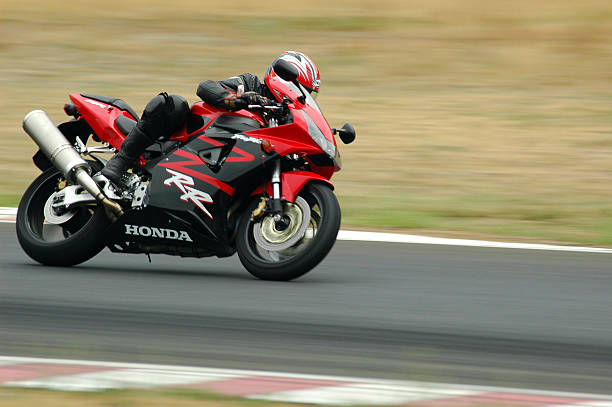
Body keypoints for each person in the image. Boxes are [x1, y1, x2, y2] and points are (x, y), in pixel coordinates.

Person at [101, 51, 320, 187]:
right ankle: (120, 162)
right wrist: (236, 99)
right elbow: (206, 87)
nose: (302, 97)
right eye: (301, 89)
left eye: (308, 94)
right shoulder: (251, 84)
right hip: (190, 138)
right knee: (174, 104)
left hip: (224, 165)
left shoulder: (283, 120)